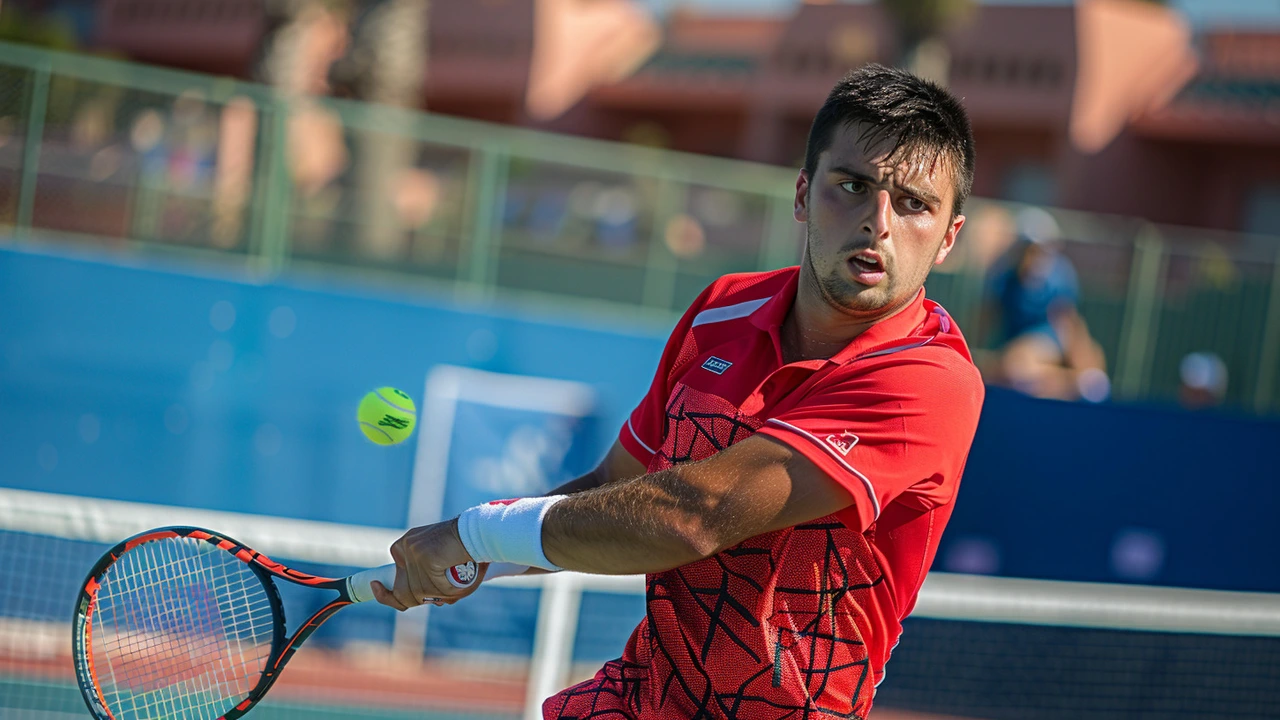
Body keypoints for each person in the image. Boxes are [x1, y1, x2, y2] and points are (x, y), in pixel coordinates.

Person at [372, 64, 985, 719]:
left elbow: (697, 515)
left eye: (914, 203)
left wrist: (477, 534)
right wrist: (478, 563)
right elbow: (614, 484)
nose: (879, 223)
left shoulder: (928, 382)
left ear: (949, 236)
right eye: (852, 186)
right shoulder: (720, 310)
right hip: (638, 697)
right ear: (804, 195)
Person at [982, 207, 1110, 402]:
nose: (1034, 258)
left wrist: (1084, 362)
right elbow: (985, 317)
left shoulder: (1060, 278)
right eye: (1029, 250)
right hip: (1011, 350)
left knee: (1018, 364)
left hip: (1045, 345)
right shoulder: (1004, 277)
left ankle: (1077, 382)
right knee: (1009, 368)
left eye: (1041, 251)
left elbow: (1067, 322)